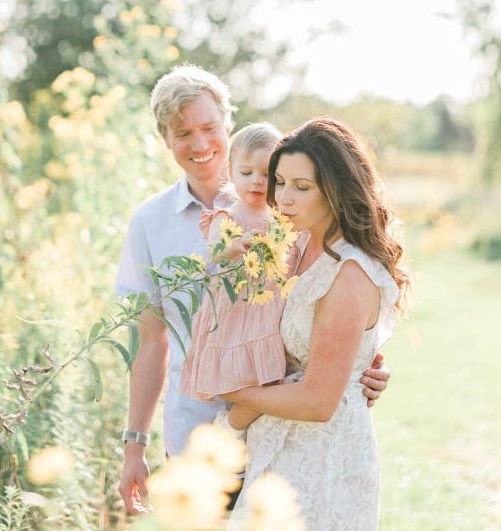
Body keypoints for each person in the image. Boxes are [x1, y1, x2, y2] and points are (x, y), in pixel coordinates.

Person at [114, 67, 391, 515]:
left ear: (229, 123)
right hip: (196, 434)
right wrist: (134, 447)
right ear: (165, 140)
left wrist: (367, 365)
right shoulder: (150, 223)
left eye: (208, 127)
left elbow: (334, 302)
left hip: (280, 435)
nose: (200, 144)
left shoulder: (289, 205)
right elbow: (150, 342)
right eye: (183, 133)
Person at [221, 117, 413, 531]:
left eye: (302, 187)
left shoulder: (350, 273)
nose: (283, 199)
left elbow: (318, 402)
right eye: (281, 182)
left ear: (336, 190)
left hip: (321, 457)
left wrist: (237, 392)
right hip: (274, 443)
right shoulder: (300, 241)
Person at [180, 121, 297, 401]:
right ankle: (235, 419)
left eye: (267, 174)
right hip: (237, 306)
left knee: (269, 377)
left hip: (268, 303)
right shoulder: (227, 216)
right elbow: (215, 252)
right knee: (240, 380)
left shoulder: (279, 218)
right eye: (246, 172)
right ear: (231, 174)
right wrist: (236, 245)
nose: (256, 181)